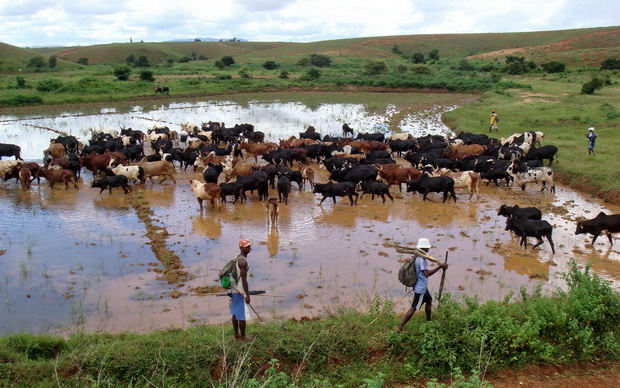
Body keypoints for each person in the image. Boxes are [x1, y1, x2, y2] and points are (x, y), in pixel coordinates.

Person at [396, 238, 449, 332]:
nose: (428, 250)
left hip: (421, 287)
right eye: (427, 248)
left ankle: (429, 322)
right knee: (414, 307)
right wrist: (440, 267)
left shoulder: (418, 257)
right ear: (424, 249)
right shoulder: (421, 259)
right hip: (420, 289)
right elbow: (426, 274)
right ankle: (400, 327)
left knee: (429, 300)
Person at [230, 239, 252, 341]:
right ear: (241, 248)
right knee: (242, 315)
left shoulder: (236, 258)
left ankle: (236, 335)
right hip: (240, 292)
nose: (249, 248)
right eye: (247, 247)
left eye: (249, 246)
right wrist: (247, 295)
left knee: (234, 313)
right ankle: (243, 337)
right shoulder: (243, 261)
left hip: (234, 290)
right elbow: (244, 280)